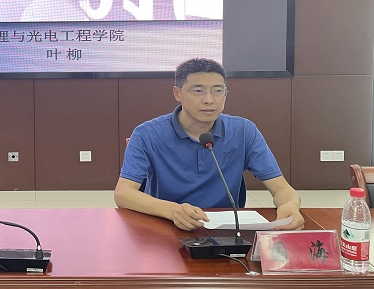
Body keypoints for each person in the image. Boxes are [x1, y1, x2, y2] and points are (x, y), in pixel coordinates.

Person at [114, 58, 304, 231]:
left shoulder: (243, 130)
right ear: (177, 93)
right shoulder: (147, 134)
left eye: (218, 91)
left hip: (226, 230)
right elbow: (123, 193)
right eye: (198, 91)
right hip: (166, 225)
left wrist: (290, 205)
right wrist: (172, 210)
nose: (209, 100)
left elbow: (281, 188)